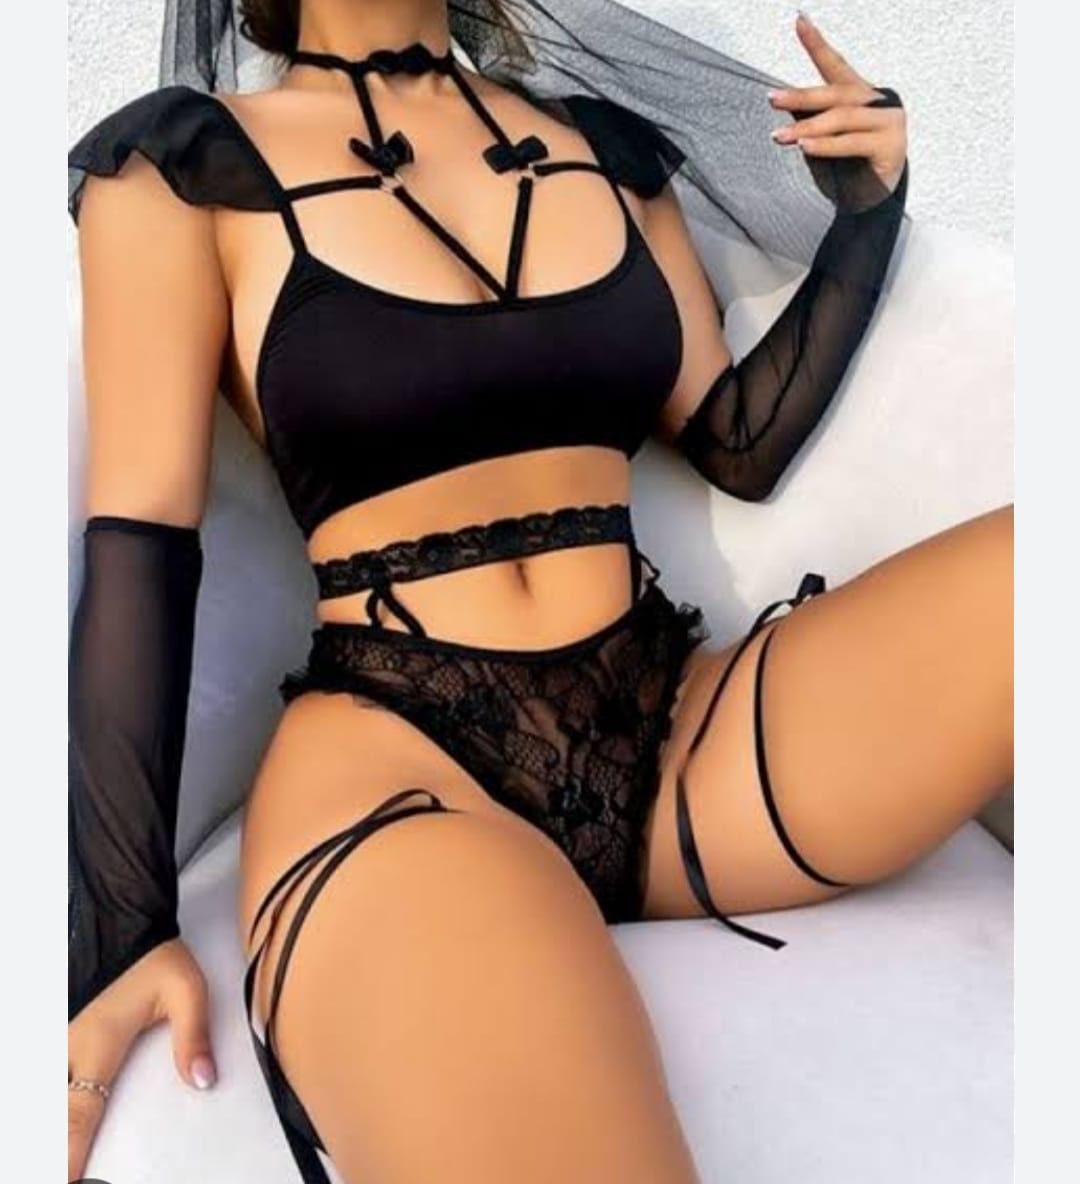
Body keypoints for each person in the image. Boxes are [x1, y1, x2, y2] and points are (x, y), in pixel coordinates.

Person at [66, 1, 1012, 1181]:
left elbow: (737, 439)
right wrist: (116, 935)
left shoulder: (600, 147)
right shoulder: (181, 170)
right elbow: (142, 547)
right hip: (406, 765)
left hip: (674, 732)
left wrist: (867, 216)